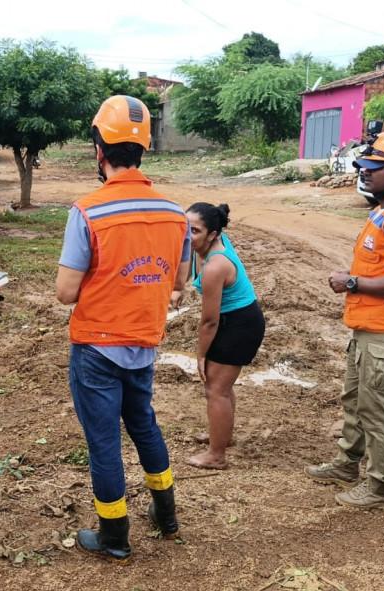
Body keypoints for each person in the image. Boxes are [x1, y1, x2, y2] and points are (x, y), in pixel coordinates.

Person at [55, 95, 191, 561]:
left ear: (99, 149)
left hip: (96, 348)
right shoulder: (176, 214)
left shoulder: (88, 211)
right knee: (145, 426)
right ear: (143, 148)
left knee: (104, 443)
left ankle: (113, 536)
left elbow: (66, 292)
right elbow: (180, 281)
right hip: (145, 345)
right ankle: (166, 515)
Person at [304, 129, 384, 510]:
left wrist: (352, 281)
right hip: (370, 325)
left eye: (374, 168)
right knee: (356, 399)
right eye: (364, 166)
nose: (364, 173)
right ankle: (348, 464)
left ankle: (381, 488)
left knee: (377, 407)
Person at [178, 202, 264, 470]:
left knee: (216, 389)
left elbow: (209, 321)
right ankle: (222, 436)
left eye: (194, 231)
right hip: (235, 319)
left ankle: (216, 456)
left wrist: (201, 354)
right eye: (184, 228)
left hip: (239, 324)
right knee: (221, 387)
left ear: (213, 234)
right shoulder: (204, 245)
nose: (186, 235)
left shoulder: (216, 266)